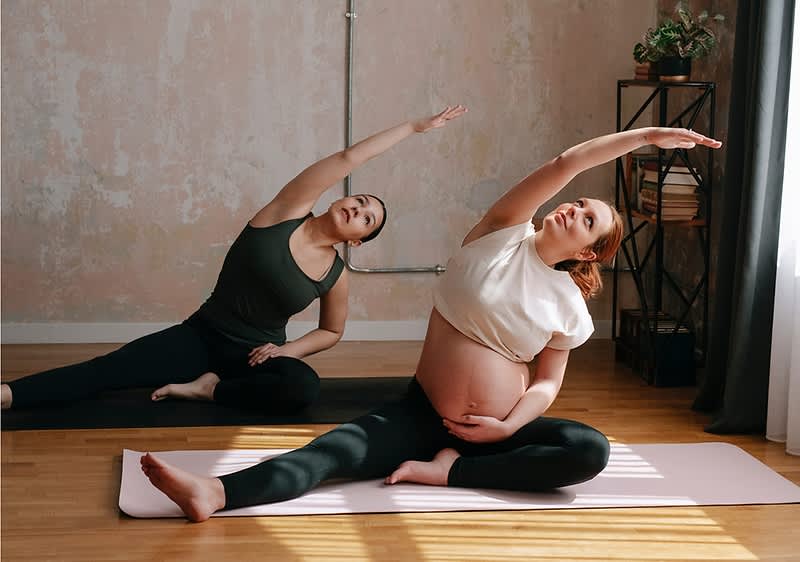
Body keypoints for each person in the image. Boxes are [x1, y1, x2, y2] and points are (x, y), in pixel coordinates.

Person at [140, 126, 722, 522]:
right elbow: (566, 164)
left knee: (588, 449)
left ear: (590, 252)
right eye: (579, 203)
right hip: (423, 410)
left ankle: (453, 472)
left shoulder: (569, 302)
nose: (574, 206)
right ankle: (214, 492)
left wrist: (504, 427)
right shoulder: (499, 235)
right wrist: (646, 137)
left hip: (497, 431)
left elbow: (547, 383)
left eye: (588, 218)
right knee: (331, 453)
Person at [0, 105, 468, 413]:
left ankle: (210, 389)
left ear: (358, 241)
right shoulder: (285, 213)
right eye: (361, 200)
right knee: (111, 370)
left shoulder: (334, 273)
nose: (358, 209)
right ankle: (8, 393)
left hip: (253, 355)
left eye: (367, 219)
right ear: (340, 199)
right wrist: (412, 128)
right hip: (202, 337)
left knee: (302, 387)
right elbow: (346, 158)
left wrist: (287, 351)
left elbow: (332, 331)